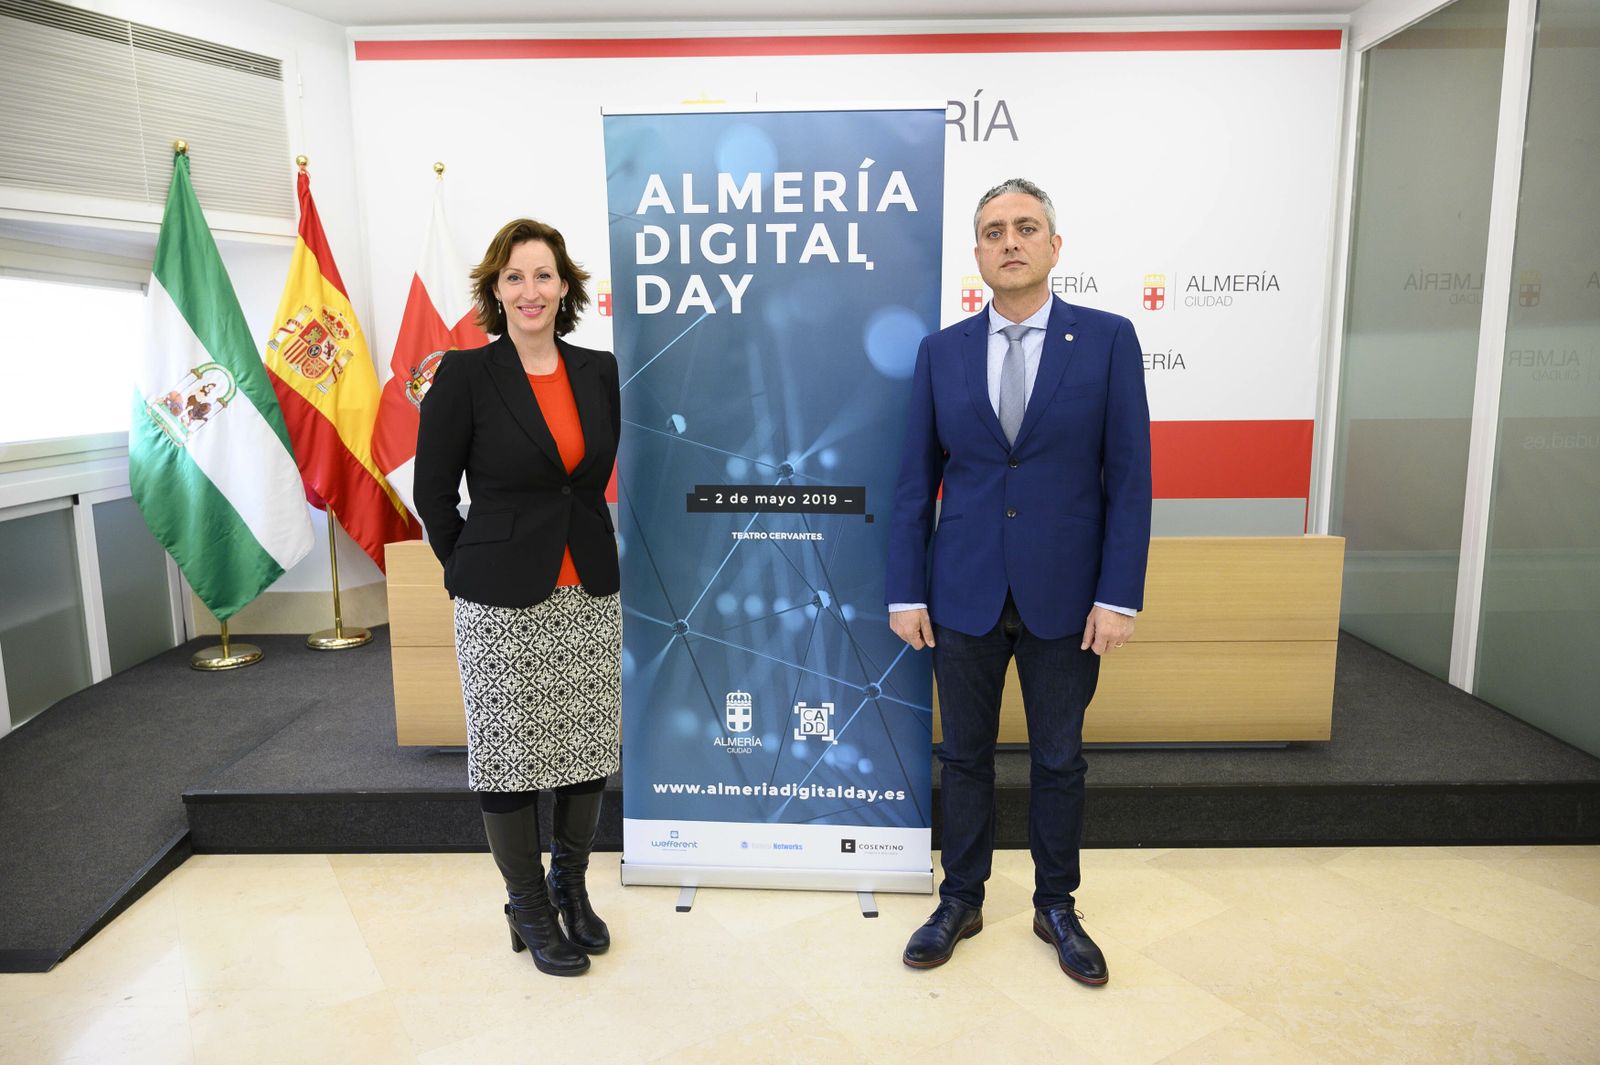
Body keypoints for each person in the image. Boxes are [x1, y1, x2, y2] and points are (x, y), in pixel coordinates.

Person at [885, 178, 1152, 985]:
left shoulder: (1107, 340)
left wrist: (1118, 594)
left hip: (1068, 600)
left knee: (1060, 758)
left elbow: (1130, 481)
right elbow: (912, 482)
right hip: (960, 590)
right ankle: (960, 896)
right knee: (962, 756)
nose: (1011, 240)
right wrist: (906, 590)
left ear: (1054, 246)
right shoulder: (941, 351)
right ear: (977, 254)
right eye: (994, 230)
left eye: (1026, 227)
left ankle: (1057, 904)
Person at [414, 218, 622, 977]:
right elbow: (433, 491)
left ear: (563, 286)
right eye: (513, 277)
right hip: (501, 600)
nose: (529, 290)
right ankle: (527, 904)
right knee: (508, 757)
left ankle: (572, 886)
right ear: (493, 290)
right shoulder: (465, 376)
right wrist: (469, 564)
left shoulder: (598, 370)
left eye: (542, 275)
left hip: (590, 586)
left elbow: (590, 480)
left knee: (585, 748)